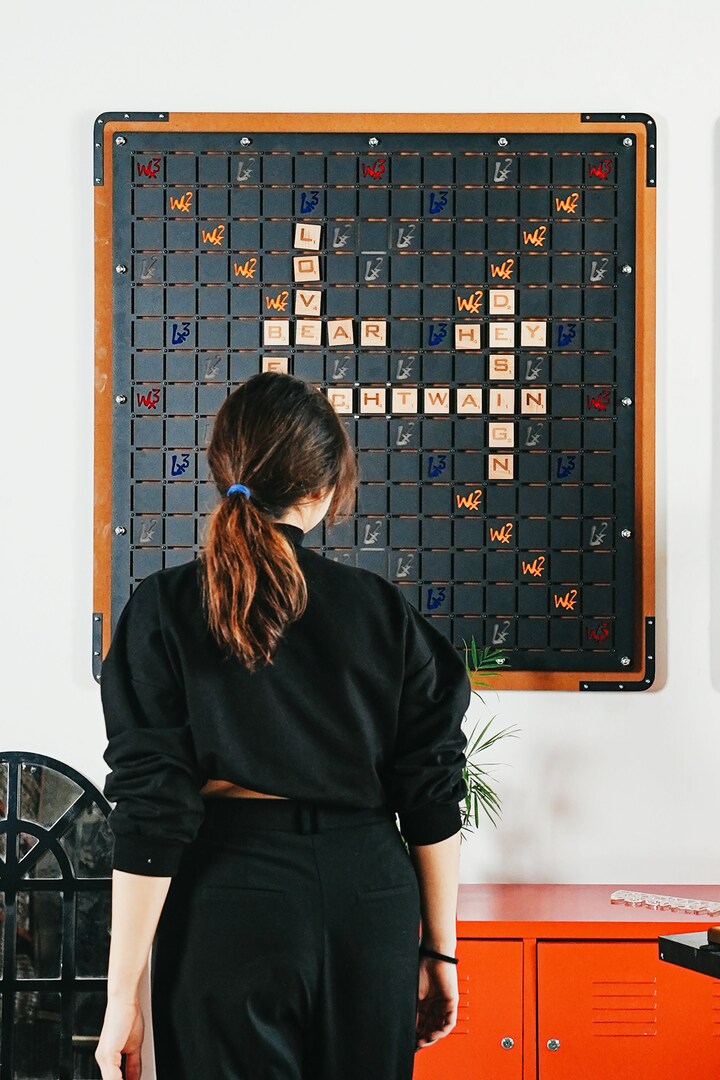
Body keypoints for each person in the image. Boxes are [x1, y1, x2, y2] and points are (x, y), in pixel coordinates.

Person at [95, 370, 472, 1080]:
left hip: (227, 899)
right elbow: (431, 792)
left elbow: (151, 809)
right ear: (326, 489)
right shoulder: (382, 614)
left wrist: (122, 999)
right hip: (370, 897)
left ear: (222, 472)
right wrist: (440, 951)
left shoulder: (164, 611)